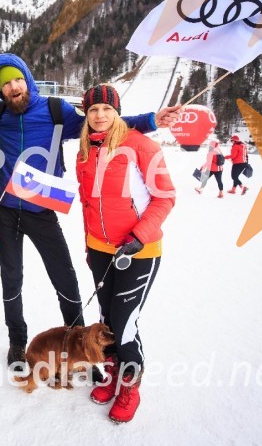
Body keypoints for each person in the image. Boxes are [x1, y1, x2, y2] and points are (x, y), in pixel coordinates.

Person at [0, 53, 179, 367]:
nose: (13, 86)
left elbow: (102, 120)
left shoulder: (53, 109)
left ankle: (75, 338)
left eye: (18, 79)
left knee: (64, 276)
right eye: (5, 83)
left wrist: (152, 120)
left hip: (41, 208)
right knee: (11, 278)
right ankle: (17, 341)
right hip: (4, 210)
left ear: (27, 78)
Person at [76, 84, 175, 424]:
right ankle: (114, 373)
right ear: (86, 116)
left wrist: (138, 236)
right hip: (102, 251)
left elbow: (165, 198)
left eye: (106, 109)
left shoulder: (141, 145)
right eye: (93, 110)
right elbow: (88, 205)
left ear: (117, 112)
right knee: (107, 320)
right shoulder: (85, 151)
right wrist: (89, 247)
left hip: (138, 251)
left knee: (124, 322)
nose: (99, 116)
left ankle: (131, 386)